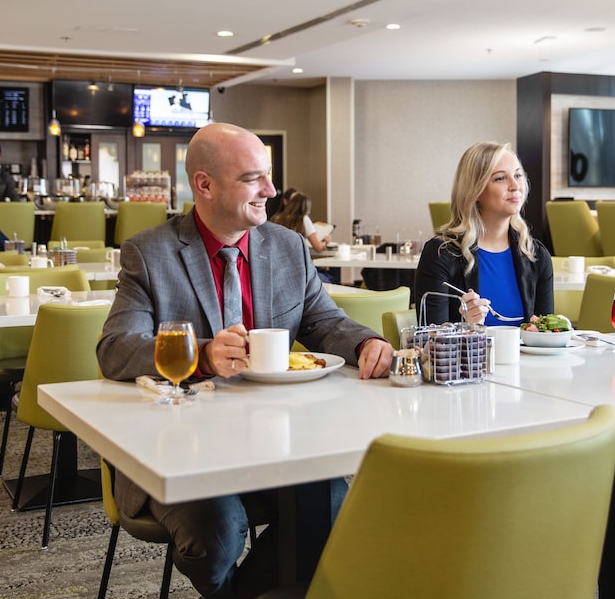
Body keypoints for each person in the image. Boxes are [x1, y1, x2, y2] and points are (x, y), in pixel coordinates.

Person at [96, 122, 394, 599]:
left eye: (268, 176)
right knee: (215, 536)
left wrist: (365, 344)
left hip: (279, 438)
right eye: (254, 178)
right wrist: (202, 355)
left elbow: (323, 320)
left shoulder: (288, 247)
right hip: (181, 447)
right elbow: (115, 348)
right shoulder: (149, 254)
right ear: (205, 185)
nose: (271, 191)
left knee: (332, 506)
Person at [414, 141, 553, 326]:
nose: (515, 186)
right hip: (464, 348)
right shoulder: (441, 254)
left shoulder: (536, 256)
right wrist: (467, 327)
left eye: (518, 175)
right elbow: (429, 337)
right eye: (500, 178)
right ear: (475, 190)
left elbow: (546, 333)